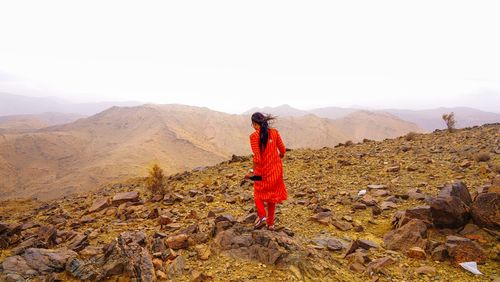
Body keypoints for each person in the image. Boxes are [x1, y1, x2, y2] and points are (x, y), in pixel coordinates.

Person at [245, 112, 287, 230]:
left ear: (254, 123)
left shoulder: (254, 137)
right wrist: (281, 155)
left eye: (252, 124)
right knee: (272, 197)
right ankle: (271, 224)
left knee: (258, 193)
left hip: (261, 173)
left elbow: (257, 158)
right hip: (276, 172)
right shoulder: (274, 132)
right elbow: (282, 150)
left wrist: (251, 171)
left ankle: (262, 217)